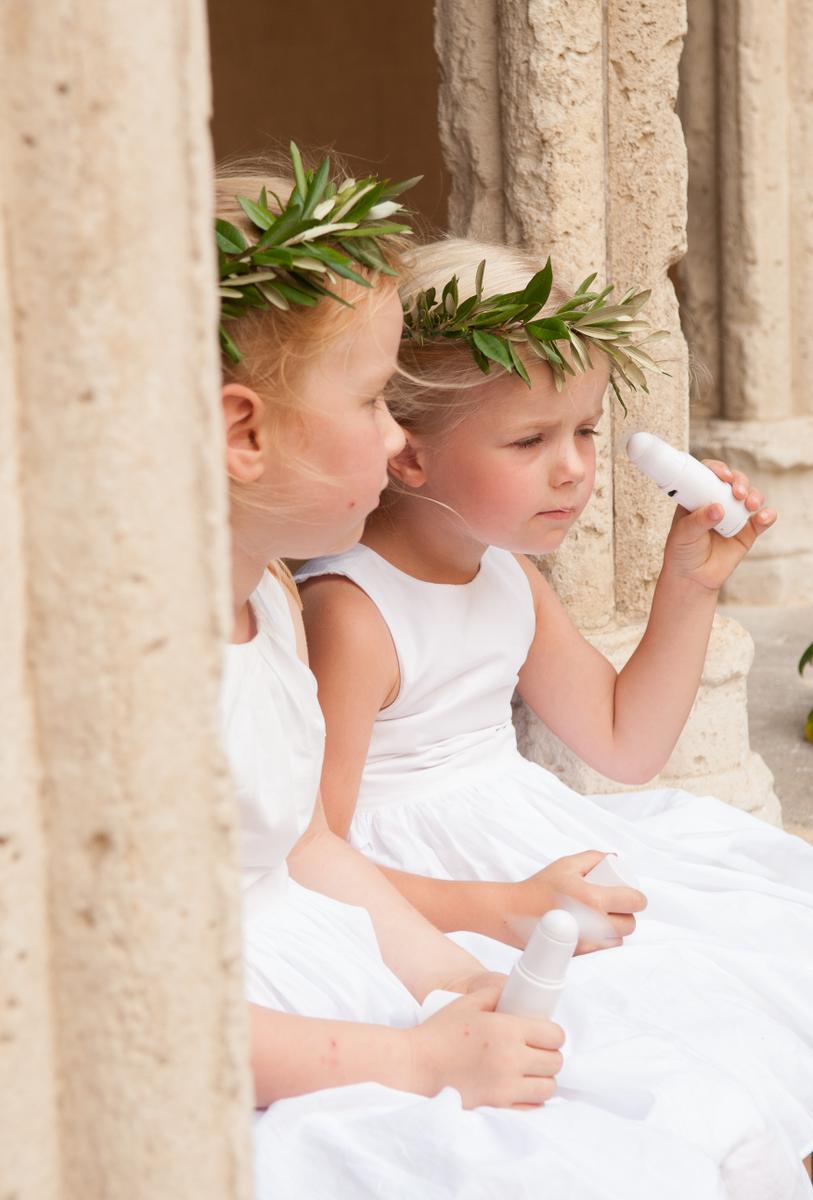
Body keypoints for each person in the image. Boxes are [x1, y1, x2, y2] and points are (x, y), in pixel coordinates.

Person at [296, 237, 813, 1182]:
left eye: (583, 431)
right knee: (641, 1041)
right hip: (424, 892)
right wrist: (497, 907)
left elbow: (624, 743)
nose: (574, 469)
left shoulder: (505, 577)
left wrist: (687, 587)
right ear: (405, 456)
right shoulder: (353, 612)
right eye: (529, 441)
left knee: (767, 955)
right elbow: (315, 851)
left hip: (526, 842)